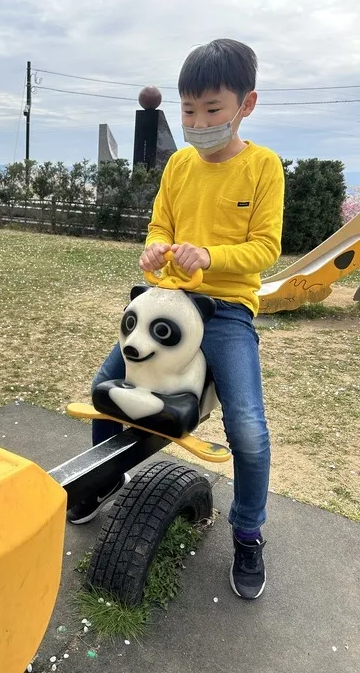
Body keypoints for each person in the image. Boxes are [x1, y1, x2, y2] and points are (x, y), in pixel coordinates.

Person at [67, 39, 284, 600]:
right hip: (167, 301)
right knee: (103, 390)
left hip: (226, 311)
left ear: (246, 105)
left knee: (248, 431)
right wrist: (154, 251)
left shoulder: (262, 167)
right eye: (189, 111)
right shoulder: (180, 164)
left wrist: (211, 257)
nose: (199, 122)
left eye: (213, 111)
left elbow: (265, 248)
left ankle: (248, 531)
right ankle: (102, 480)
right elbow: (160, 226)